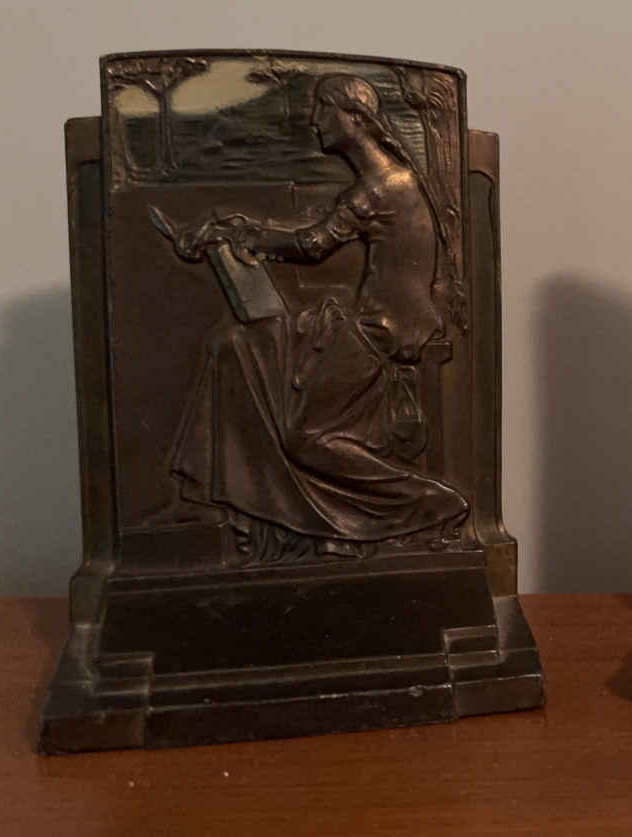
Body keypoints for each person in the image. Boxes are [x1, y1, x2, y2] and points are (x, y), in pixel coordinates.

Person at [168, 73, 467, 561]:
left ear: (354, 118)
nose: (314, 120)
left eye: (323, 109)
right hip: (371, 321)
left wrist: (244, 233)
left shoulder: (377, 190)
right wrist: (247, 230)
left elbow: (311, 245)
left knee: (305, 438)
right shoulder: (394, 181)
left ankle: (433, 504)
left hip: (381, 331)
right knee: (234, 344)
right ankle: (253, 511)